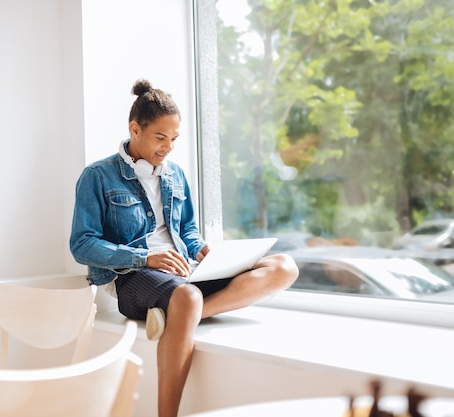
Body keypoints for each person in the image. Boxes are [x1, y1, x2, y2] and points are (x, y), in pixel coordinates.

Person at [69, 79, 299, 417]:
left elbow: (187, 228)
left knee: (283, 267)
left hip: (183, 272)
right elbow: (82, 244)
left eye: (174, 139)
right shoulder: (98, 176)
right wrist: (145, 256)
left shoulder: (175, 175)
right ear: (135, 129)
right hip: (133, 277)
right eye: (160, 137)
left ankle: (177, 318)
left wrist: (202, 250)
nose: (168, 147)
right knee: (188, 297)